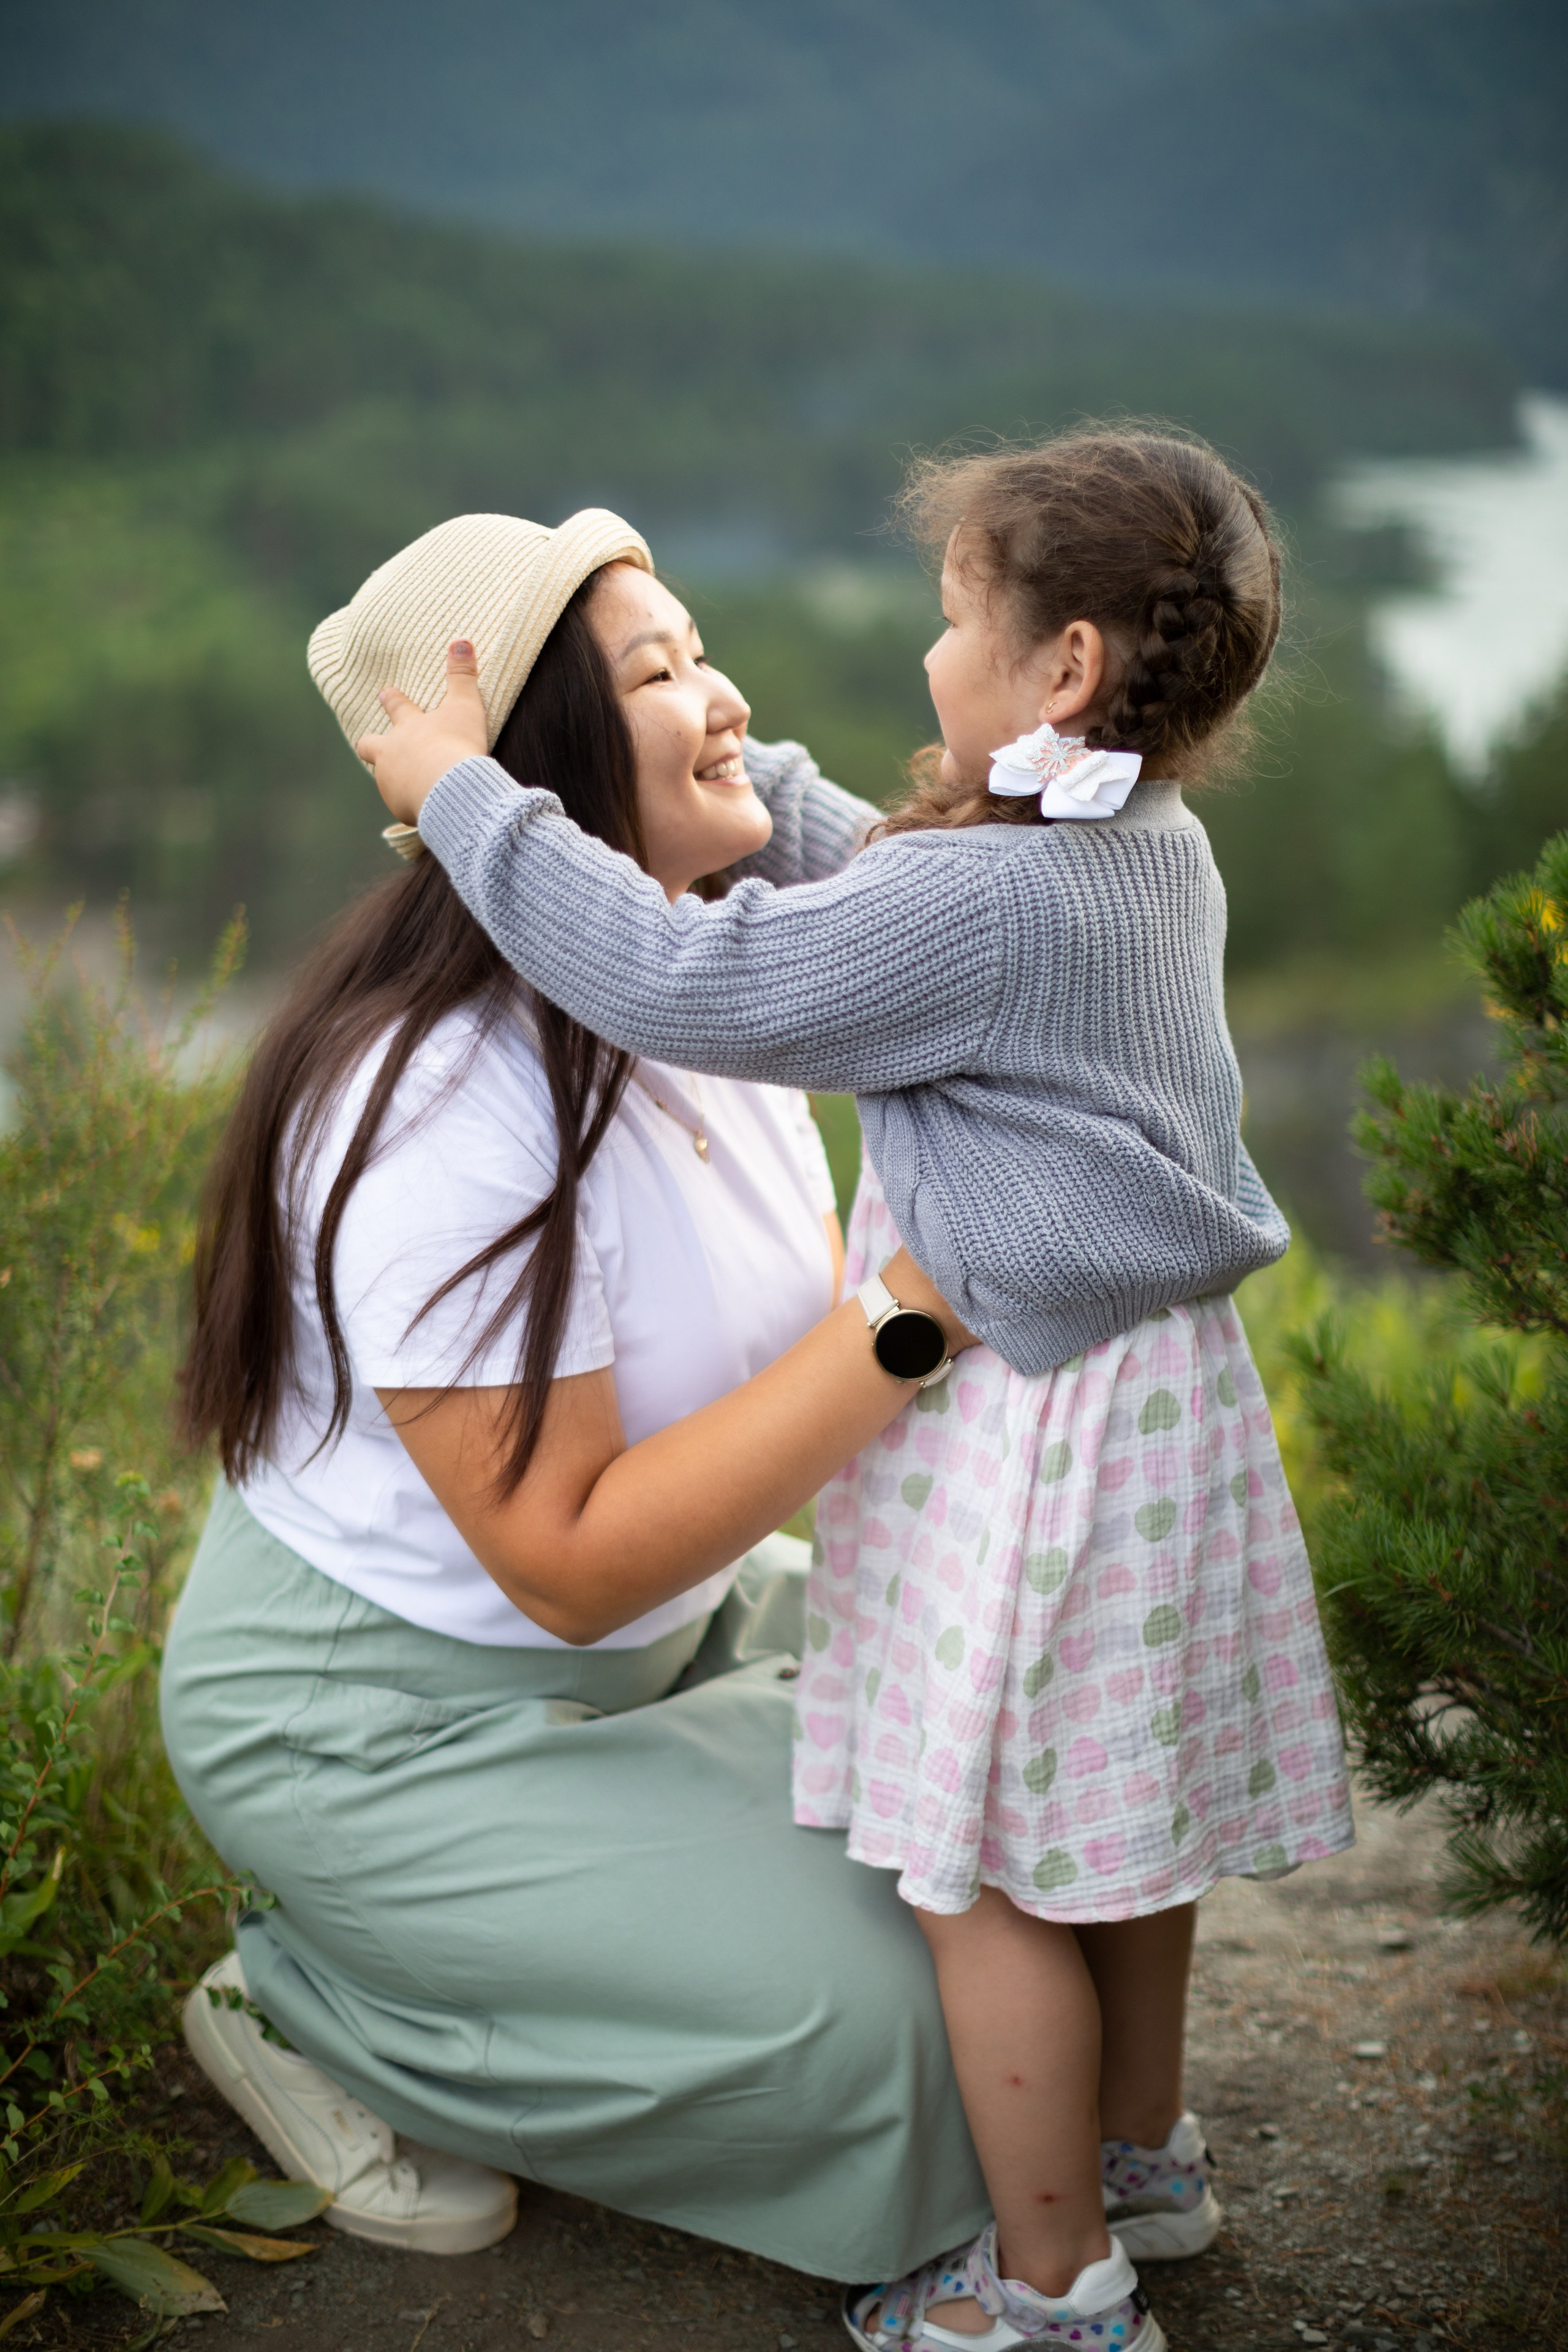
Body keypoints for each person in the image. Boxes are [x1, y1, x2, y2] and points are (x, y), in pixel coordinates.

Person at [360, 429, 1356, 2352]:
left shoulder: (991, 905)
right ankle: (1141, 2159)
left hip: (1027, 1431)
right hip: (1148, 1411)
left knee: (977, 1868)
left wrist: (477, 805)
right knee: (1107, 1830)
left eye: (958, 619)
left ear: (1062, 669)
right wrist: (748, 766)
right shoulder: (1136, 843)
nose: (927, 652)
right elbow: (899, 874)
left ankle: (1051, 2289)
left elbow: (690, 981)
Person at [164, 507, 992, 2282]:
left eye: (704, 651)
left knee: (1029, 1785)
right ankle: (311, 1996)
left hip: (670, 1630)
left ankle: (607, 1887)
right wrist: (916, 1320)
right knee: (917, 2042)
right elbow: (566, 1561)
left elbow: (995, 917)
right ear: (535, 763)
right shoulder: (436, 1098)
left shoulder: (706, 966)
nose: (727, 698)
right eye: (659, 673)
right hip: (389, 1724)